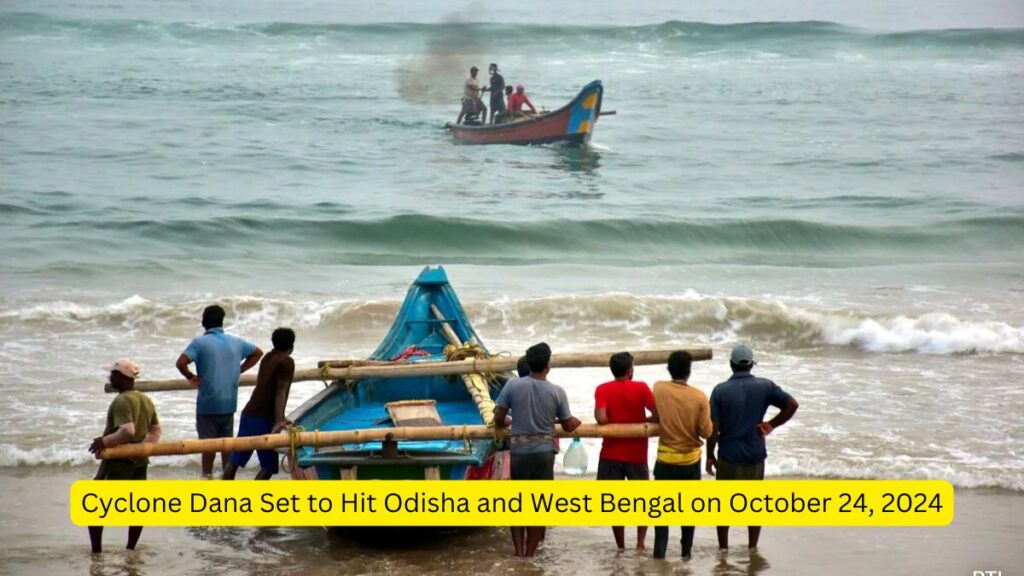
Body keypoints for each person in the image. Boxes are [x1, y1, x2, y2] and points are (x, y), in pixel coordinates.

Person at [706, 344, 799, 550]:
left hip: (729, 456)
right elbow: (792, 404)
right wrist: (771, 425)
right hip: (755, 455)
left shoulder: (720, 391)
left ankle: (723, 548)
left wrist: (710, 455)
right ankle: (752, 547)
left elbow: (713, 427)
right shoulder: (765, 386)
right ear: (750, 365)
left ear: (731, 365)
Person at [493, 342, 581, 558]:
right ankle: (530, 554)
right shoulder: (557, 391)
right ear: (547, 365)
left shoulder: (512, 386)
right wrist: (576, 422)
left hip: (519, 452)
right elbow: (568, 425)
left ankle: (519, 551)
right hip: (544, 453)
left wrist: (509, 423)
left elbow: (498, 418)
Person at [176, 305, 263, 478]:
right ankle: (227, 479)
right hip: (229, 402)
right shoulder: (236, 342)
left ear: (203, 323)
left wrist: (191, 377)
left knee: (207, 446)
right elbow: (257, 353)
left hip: (208, 403)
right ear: (222, 322)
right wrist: (239, 370)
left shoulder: (199, 343)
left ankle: (207, 476)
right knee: (227, 445)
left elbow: (181, 362)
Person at [88, 358, 161, 554]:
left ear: (121, 377)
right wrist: (140, 451)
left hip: (118, 462)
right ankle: (131, 549)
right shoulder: (145, 399)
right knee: (136, 507)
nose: (110, 377)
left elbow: (127, 430)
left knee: (95, 506)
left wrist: (103, 442)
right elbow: (155, 431)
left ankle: (96, 552)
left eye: (113, 374)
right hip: (139, 462)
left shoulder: (121, 400)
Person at [650, 351, 712, 559]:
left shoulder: (659, 388)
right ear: (689, 372)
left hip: (666, 460)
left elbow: (657, 414)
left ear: (669, 369)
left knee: (661, 514)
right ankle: (686, 553)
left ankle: (659, 554)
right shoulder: (700, 397)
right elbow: (706, 432)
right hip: (690, 462)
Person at [594, 351, 657, 551]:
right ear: (630, 370)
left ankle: (620, 545)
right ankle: (640, 543)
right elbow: (657, 414)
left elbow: (602, 419)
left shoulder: (602, 389)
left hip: (610, 453)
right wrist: (643, 421)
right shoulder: (641, 387)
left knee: (614, 503)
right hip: (637, 454)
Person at [222, 327, 296, 480]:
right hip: (263, 419)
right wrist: (279, 420)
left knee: (235, 461)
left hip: (249, 414)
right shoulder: (286, 361)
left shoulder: (268, 357)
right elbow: (280, 393)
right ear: (291, 345)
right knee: (268, 467)